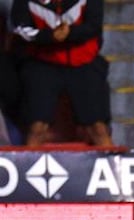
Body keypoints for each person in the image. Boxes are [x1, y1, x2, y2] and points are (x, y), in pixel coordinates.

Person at [10, 0, 112, 146]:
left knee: (98, 129)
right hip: (43, 64)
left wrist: (70, 33)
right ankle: (27, 167)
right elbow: (20, 28)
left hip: (84, 63)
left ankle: (116, 168)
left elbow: (94, 26)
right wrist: (49, 36)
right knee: (37, 128)